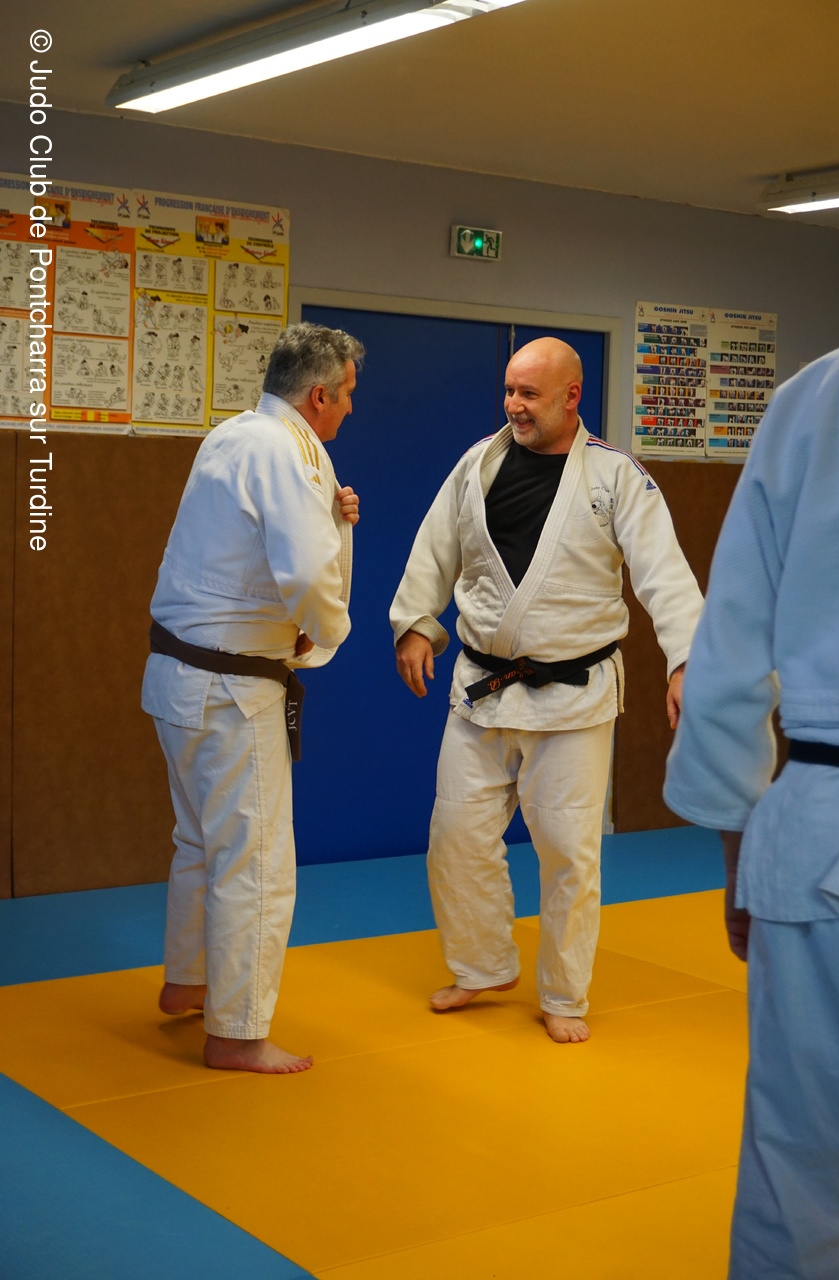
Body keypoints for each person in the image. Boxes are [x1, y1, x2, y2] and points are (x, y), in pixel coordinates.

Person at [391, 337, 703, 1043]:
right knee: (455, 837)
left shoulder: (616, 477)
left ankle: (563, 994)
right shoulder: (478, 463)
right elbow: (435, 548)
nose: (514, 405)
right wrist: (415, 624)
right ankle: (481, 965)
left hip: (572, 695)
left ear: (571, 396)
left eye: (528, 393)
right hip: (481, 687)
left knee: (567, 853)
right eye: (509, 391)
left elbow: (665, 575)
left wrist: (686, 660)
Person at [664, 344, 839, 1278]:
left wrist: (740, 847)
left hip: (823, 830)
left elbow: (728, 654)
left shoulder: (820, 397)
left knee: (802, 1167)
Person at [142, 321, 364, 1074]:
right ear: (319, 394)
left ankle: (188, 981)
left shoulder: (232, 435)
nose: (351, 409)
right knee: (257, 861)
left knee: (199, 841)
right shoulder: (286, 452)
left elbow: (249, 550)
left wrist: (331, 520)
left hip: (177, 676)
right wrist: (324, 637)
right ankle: (237, 1033)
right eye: (347, 395)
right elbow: (305, 574)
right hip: (231, 689)